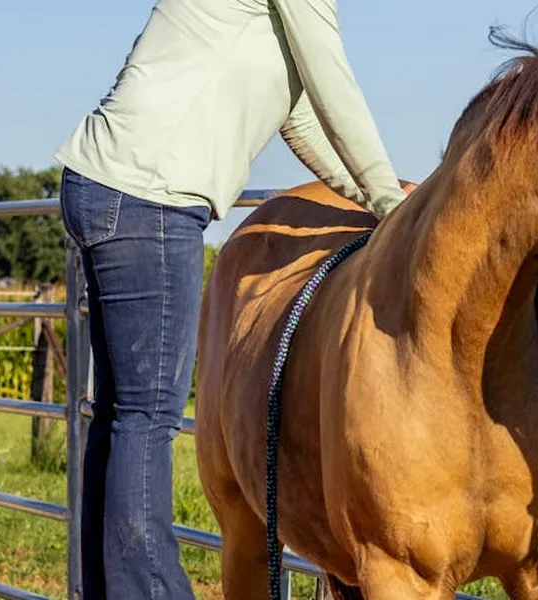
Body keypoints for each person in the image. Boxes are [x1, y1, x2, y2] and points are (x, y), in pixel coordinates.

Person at [53, 0, 411, 597]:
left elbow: (299, 117)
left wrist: (372, 199)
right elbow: (333, 85)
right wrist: (398, 209)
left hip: (115, 186)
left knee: (121, 416)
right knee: (145, 417)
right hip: (150, 199)